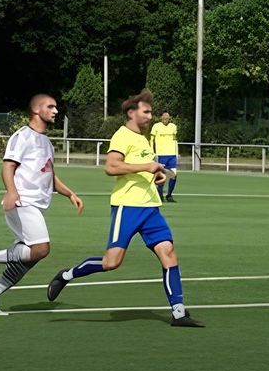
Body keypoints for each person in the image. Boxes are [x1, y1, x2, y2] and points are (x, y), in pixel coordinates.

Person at [46, 90, 204, 327]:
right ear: (132, 113)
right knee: (112, 262)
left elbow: (142, 169)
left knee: (168, 253)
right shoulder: (122, 136)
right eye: (146, 111)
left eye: (151, 112)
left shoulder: (143, 138)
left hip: (150, 208)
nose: (150, 116)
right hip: (127, 207)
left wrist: (156, 174)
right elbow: (111, 167)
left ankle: (179, 313)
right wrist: (146, 166)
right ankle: (66, 275)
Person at [0, 94, 84, 316]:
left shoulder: (46, 142)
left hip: (35, 204)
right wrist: (12, 192)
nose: (55, 111)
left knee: (30, 257)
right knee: (41, 248)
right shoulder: (22, 136)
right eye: (50, 107)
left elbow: (49, 175)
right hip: (23, 201)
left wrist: (69, 193)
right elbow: (7, 167)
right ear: (36, 110)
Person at [150, 111, 179, 202]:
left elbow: (175, 140)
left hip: (172, 155)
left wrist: (177, 152)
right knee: (161, 174)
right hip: (161, 154)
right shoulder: (156, 126)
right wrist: (152, 151)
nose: (165, 119)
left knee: (174, 175)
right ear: (161, 118)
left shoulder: (173, 127)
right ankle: (159, 193)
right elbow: (151, 139)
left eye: (167, 118)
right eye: (164, 118)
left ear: (169, 119)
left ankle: (169, 195)